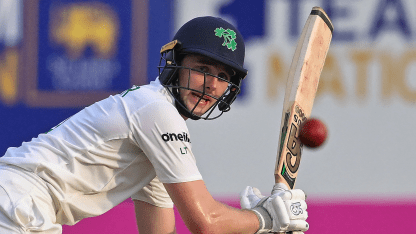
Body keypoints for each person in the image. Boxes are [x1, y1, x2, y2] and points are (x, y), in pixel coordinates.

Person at [0, 16, 309, 234]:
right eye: (203, 69)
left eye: (224, 77)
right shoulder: (157, 113)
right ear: (175, 64)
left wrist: (253, 224)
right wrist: (266, 218)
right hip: (18, 205)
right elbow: (206, 223)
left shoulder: (157, 139)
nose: (212, 85)